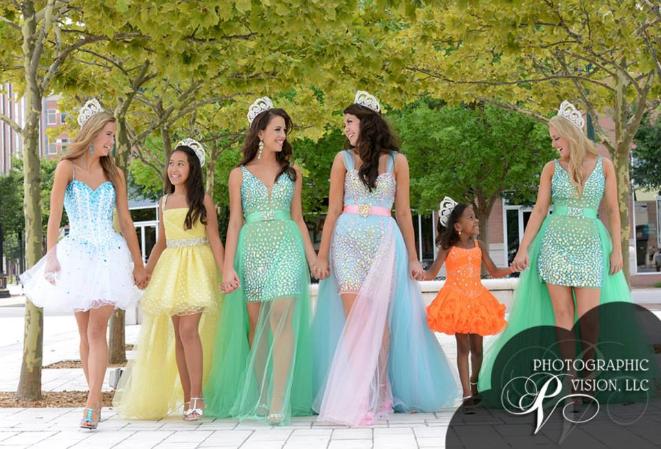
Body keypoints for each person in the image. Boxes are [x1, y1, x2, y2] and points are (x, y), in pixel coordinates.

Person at [313, 91, 458, 426]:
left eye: (350, 122)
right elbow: (333, 210)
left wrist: (414, 258)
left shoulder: (397, 162)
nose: (346, 128)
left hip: (384, 243)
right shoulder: (342, 160)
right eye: (345, 123)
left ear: (367, 123)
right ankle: (360, 395)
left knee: (380, 323)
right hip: (347, 242)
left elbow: (404, 212)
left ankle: (382, 390)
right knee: (355, 320)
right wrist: (321, 256)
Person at [20, 99, 146, 429]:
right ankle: (95, 396)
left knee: (95, 328)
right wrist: (51, 256)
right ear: (92, 133)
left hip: (109, 256)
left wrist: (138, 263)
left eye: (114, 136)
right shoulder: (67, 167)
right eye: (108, 134)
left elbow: (126, 221)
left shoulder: (114, 173)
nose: (111, 141)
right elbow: (54, 216)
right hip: (76, 255)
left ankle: (92, 401)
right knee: (84, 333)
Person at [205, 98, 316, 425]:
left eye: (284, 131)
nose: (282, 136)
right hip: (252, 250)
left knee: (281, 313)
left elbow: (298, 218)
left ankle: (280, 397)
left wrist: (312, 259)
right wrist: (227, 267)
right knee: (257, 326)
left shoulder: (293, 174)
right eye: (277, 130)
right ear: (261, 134)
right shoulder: (238, 175)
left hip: (286, 245)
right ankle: (265, 393)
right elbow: (234, 222)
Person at [113, 139, 223, 421]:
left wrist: (225, 271)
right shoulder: (164, 202)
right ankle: (187, 398)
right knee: (179, 336)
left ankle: (198, 395)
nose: (174, 169)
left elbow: (214, 239)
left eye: (180, 164)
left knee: (189, 330)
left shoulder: (203, 200)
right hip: (172, 269)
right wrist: (146, 270)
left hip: (197, 266)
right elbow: (161, 242)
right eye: (171, 164)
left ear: (192, 168)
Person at [424, 198, 509, 407]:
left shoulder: (480, 246)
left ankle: (474, 383)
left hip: (477, 301)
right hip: (456, 302)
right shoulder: (448, 247)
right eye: (471, 217)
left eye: (475, 217)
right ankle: (466, 393)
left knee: (477, 349)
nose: (476, 220)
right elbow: (432, 273)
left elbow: (494, 271)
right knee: (463, 348)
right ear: (458, 226)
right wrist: (416, 272)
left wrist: (513, 268)